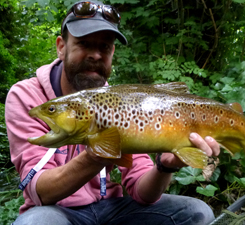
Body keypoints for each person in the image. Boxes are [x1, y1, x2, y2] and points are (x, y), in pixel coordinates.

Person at [5, 1, 220, 224]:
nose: (96, 55)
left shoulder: (122, 100)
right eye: (84, 44)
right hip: (55, 213)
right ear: (61, 46)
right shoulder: (27, 95)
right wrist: (98, 153)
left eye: (104, 47)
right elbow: (41, 191)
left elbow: (142, 192)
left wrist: (166, 166)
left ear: (112, 53)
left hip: (111, 209)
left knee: (197, 212)